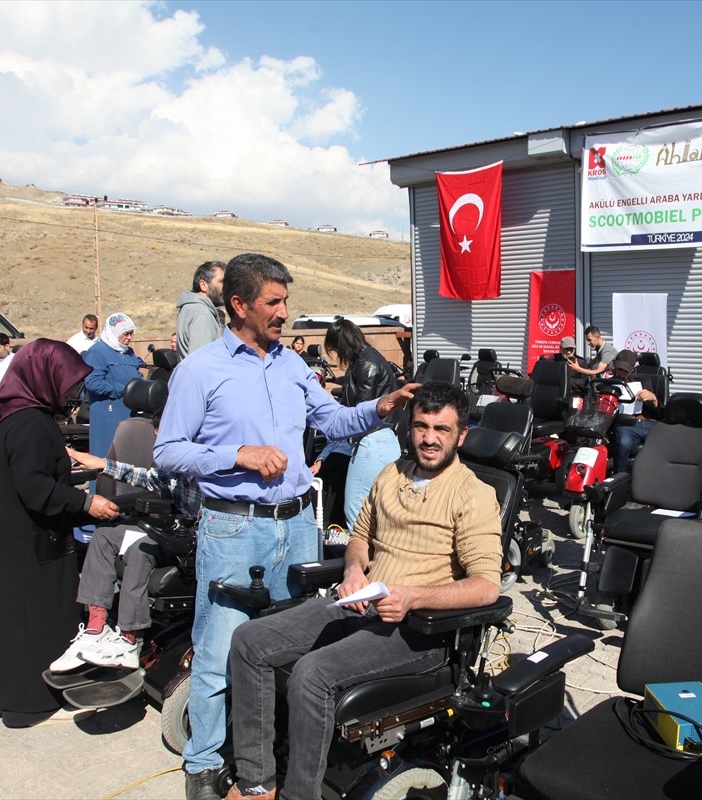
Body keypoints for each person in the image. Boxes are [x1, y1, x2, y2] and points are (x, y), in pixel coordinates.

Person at [152, 252, 417, 800]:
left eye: (286, 301)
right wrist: (238, 454)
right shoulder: (200, 369)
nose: (284, 312)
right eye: (274, 302)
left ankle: (271, 749)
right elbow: (169, 451)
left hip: (297, 526)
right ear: (238, 304)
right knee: (220, 649)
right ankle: (203, 764)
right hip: (234, 530)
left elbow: (331, 420)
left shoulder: (293, 365)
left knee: (292, 646)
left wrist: (378, 408)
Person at [225, 381, 502, 800]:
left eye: (441, 430)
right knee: (249, 640)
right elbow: (359, 536)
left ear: (461, 435)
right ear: (409, 428)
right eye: (421, 426)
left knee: (311, 674)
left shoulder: (473, 495)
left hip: (417, 631)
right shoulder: (392, 473)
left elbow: (486, 586)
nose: (429, 438)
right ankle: (258, 783)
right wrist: (354, 569)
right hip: (360, 603)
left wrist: (414, 596)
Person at [0, 339, 120, 728]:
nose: (71, 392)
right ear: (44, 378)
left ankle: (3, 691)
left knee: (5, 619)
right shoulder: (30, 423)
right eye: (66, 383)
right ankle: (26, 701)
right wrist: (85, 503)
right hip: (20, 543)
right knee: (27, 619)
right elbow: (35, 489)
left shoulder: (13, 413)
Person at [50, 443, 203, 672]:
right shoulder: (173, 465)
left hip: (197, 540)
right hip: (173, 529)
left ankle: (130, 639)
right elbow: (146, 476)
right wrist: (102, 464)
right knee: (104, 535)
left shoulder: (206, 467)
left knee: (141, 547)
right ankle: (96, 628)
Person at [324, 318, 403, 526]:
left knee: (357, 517)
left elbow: (362, 413)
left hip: (373, 439)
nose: (336, 355)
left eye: (335, 349)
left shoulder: (367, 364)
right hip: (371, 438)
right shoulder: (362, 360)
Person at [83, 312, 144, 458]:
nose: (129, 338)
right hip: (108, 415)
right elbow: (92, 382)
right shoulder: (98, 351)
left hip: (130, 414)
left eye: (131, 334)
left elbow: (136, 374)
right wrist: (123, 390)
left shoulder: (129, 352)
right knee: (108, 458)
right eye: (126, 334)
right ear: (114, 332)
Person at [609, 349, 662, 475]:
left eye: (625, 371)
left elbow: (659, 413)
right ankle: (618, 479)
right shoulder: (608, 383)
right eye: (619, 369)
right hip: (623, 424)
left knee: (664, 437)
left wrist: (653, 398)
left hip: (645, 423)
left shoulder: (642, 383)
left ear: (632, 370)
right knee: (624, 441)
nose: (621, 374)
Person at [176, 261, 226, 358]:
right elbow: (200, 361)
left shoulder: (192, 308)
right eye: (222, 282)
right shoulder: (201, 313)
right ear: (203, 285)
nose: (226, 287)